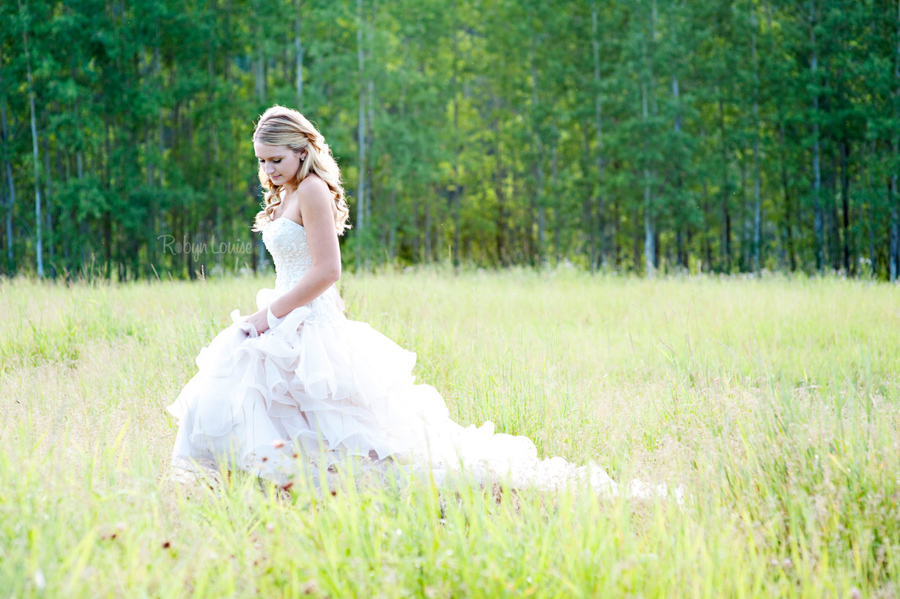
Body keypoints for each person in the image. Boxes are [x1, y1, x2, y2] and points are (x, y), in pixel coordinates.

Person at [166, 105, 646, 498]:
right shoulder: (288, 190)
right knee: (233, 388)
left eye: (276, 160)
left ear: (303, 151)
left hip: (302, 318)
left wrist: (269, 316)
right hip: (292, 313)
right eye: (262, 161)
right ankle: (255, 490)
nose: (268, 170)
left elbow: (327, 270)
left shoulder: (312, 190)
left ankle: (318, 488)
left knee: (349, 433)